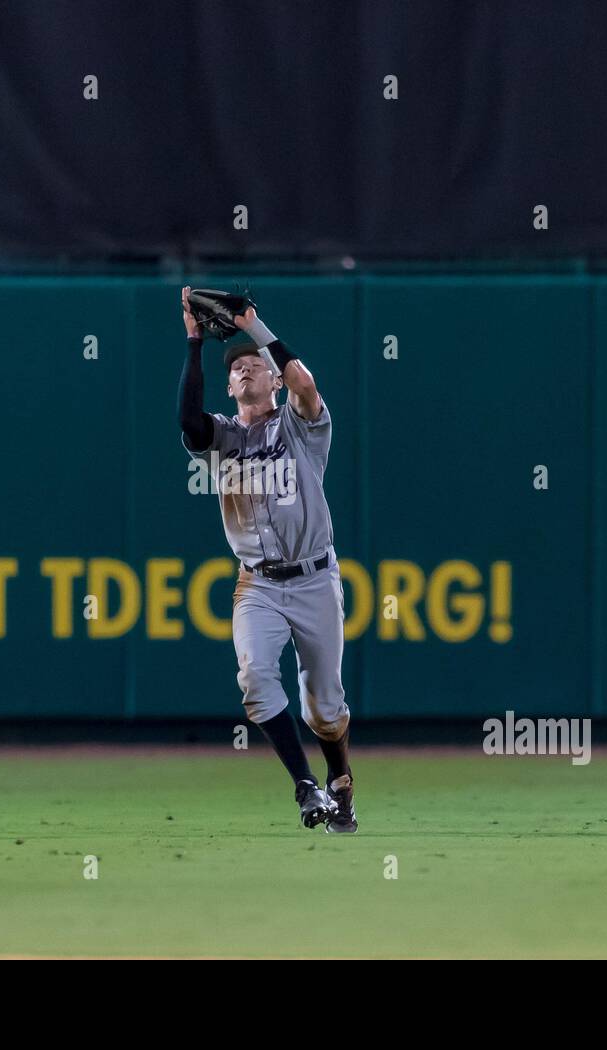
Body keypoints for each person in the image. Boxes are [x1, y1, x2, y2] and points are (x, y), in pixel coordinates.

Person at [177, 286, 356, 833]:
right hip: (256, 584)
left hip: (314, 578)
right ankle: (306, 787)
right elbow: (188, 420)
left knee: (324, 707)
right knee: (255, 677)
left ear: (273, 378)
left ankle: (340, 779)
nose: (247, 369)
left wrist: (254, 325)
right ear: (229, 385)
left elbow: (305, 383)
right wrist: (194, 343)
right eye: (238, 368)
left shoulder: (300, 425)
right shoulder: (223, 437)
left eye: (256, 364)